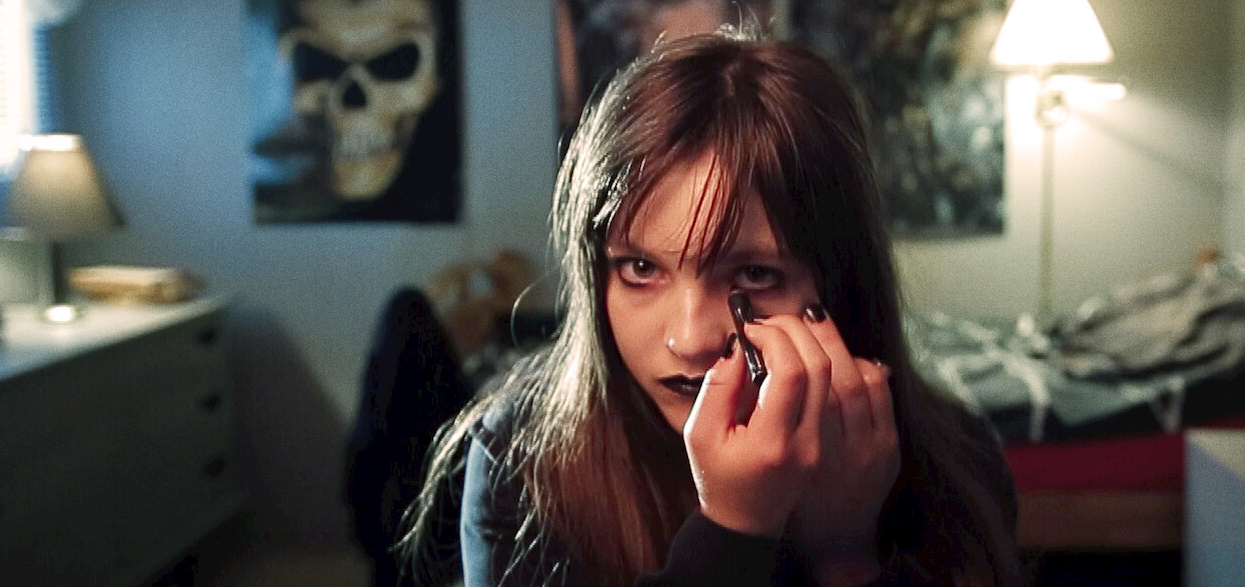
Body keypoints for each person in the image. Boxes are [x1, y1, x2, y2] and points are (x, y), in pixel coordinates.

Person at [402, 31, 1019, 587]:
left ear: (841, 279)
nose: (690, 339)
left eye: (755, 274)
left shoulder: (958, 458)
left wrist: (846, 557)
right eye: (640, 268)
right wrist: (732, 533)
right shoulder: (523, 459)